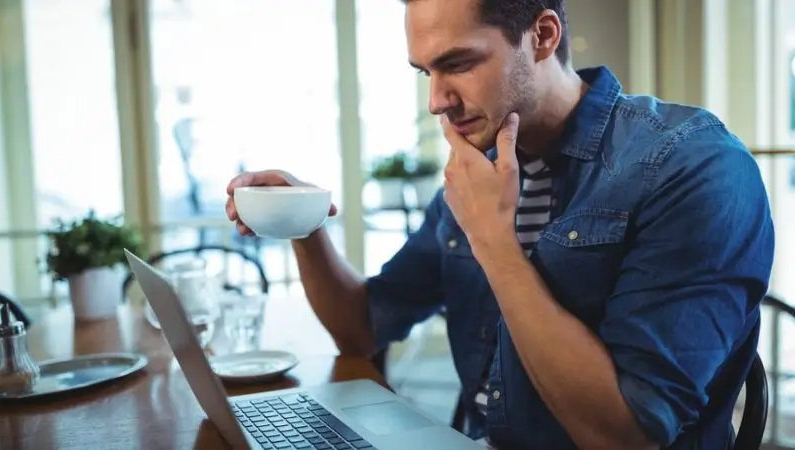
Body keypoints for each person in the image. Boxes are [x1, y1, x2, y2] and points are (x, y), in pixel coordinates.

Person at [225, 0, 775, 448]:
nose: (437, 100)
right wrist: (305, 221)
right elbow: (363, 327)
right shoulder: (479, 166)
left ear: (542, 35)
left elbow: (627, 434)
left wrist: (494, 242)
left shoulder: (692, 165)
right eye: (425, 71)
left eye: (459, 63)